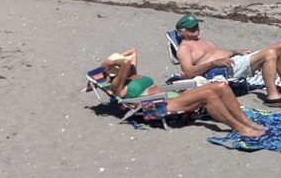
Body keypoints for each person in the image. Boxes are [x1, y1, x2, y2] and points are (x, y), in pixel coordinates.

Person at [103, 48, 266, 137]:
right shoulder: (117, 85)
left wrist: (113, 60)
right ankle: (240, 128)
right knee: (208, 95)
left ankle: (246, 122)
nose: (129, 65)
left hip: (172, 96)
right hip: (157, 105)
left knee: (220, 86)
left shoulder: (131, 74)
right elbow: (126, 62)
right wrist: (112, 62)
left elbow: (133, 51)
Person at [174, 14, 281, 108]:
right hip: (226, 69)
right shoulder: (184, 49)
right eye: (191, 27)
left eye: (196, 25)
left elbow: (218, 52)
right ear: (181, 32)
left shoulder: (200, 40)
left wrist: (236, 51)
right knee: (270, 53)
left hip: (234, 60)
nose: (196, 28)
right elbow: (189, 73)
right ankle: (273, 97)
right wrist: (214, 63)